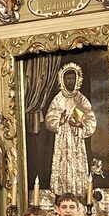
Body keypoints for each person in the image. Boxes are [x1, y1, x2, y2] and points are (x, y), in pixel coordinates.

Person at [45, 64, 97, 197]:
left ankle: (79, 193)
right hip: (62, 138)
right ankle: (61, 193)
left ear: (77, 79)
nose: (70, 81)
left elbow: (90, 117)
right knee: (62, 164)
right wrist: (60, 121)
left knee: (77, 162)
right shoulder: (58, 98)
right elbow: (50, 118)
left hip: (76, 137)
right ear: (63, 80)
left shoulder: (81, 98)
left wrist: (79, 124)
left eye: (73, 78)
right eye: (68, 79)